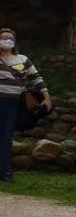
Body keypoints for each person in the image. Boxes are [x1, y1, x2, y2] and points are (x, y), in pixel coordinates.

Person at [0, 27, 52, 182]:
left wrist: (46, 97)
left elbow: (36, 79)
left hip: (13, 103)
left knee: (6, 137)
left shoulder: (23, 60)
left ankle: (5, 171)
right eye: (4, 38)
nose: (7, 40)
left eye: (10, 38)